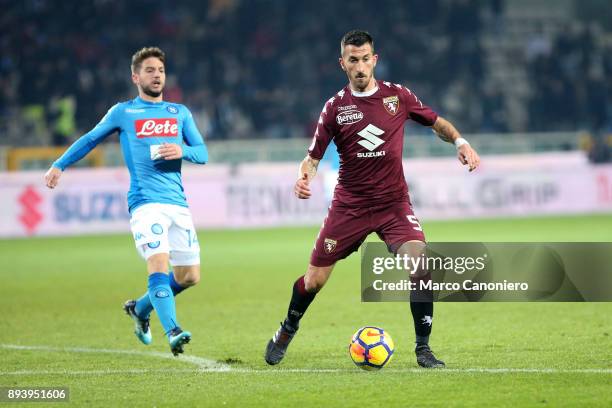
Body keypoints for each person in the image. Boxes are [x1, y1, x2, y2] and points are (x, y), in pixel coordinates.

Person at [265, 30, 480, 368]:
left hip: (394, 205)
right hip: (350, 206)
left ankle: (423, 349)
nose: (361, 67)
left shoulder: (398, 97)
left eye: (366, 59)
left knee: (421, 267)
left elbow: (436, 123)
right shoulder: (335, 108)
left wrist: (461, 142)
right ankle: (287, 330)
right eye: (353, 60)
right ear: (343, 63)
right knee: (314, 281)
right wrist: (303, 176)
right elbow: (313, 157)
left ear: (375, 59)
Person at [44, 47, 208, 356]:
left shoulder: (179, 113)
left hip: (178, 204)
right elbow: (91, 138)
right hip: (145, 202)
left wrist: (182, 151)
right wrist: (59, 164)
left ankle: (140, 309)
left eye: (160, 70)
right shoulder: (124, 112)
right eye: (149, 70)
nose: (156, 74)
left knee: (189, 276)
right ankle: (172, 330)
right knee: (158, 263)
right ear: (136, 77)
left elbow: (202, 152)